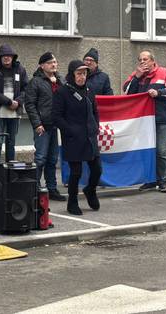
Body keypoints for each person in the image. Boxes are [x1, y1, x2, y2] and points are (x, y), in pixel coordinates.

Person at [123, 50, 166, 193]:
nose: (142, 62)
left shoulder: (165, 73)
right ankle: (149, 180)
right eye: (140, 60)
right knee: (146, 151)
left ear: (153, 61)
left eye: (145, 59)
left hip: (160, 118)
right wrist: (136, 77)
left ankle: (162, 181)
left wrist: (159, 93)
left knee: (161, 151)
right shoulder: (137, 75)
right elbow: (127, 93)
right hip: (143, 121)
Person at [53, 60, 102, 216]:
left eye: (84, 73)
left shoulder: (89, 90)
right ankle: (72, 202)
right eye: (79, 73)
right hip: (73, 138)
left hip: (89, 136)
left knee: (97, 169)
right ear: (72, 74)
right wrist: (70, 130)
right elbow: (56, 116)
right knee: (76, 172)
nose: (82, 77)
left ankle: (90, 190)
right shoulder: (62, 92)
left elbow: (95, 111)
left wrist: (95, 126)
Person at [24, 52, 66, 201]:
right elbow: (30, 104)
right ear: (42, 66)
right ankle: (34, 188)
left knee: (52, 159)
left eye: (55, 62)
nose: (53, 65)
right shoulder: (35, 82)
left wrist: (57, 82)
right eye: (49, 63)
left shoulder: (60, 80)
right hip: (42, 126)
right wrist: (37, 124)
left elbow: (66, 95)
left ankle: (52, 188)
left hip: (55, 125)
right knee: (41, 158)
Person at [0, 44, 28, 165]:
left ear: (13, 57)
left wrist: (18, 102)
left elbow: (26, 89)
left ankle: (10, 169)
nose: (6, 57)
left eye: (9, 55)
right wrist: (9, 102)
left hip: (15, 113)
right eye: (3, 55)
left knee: (11, 142)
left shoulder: (20, 70)